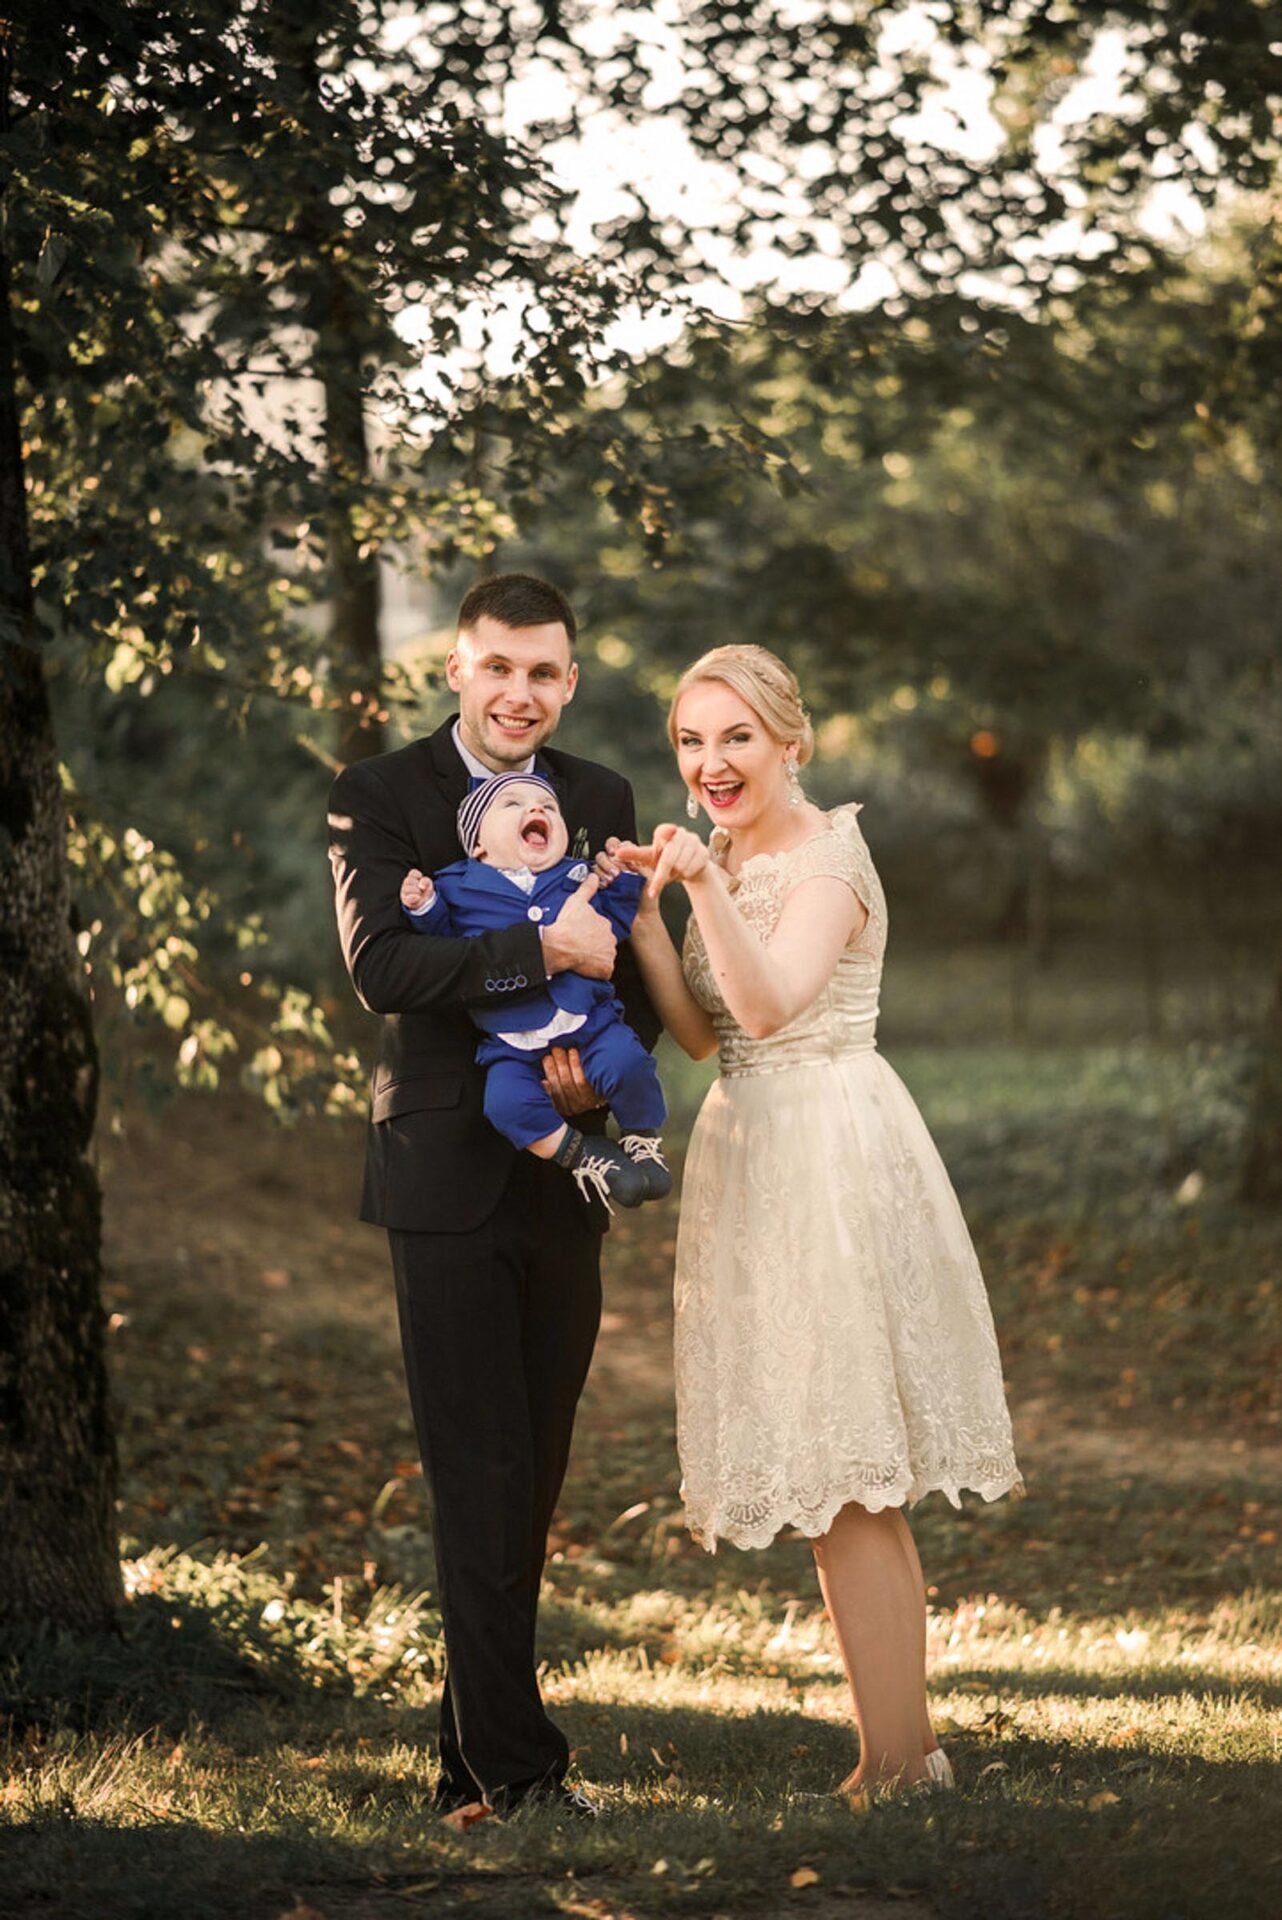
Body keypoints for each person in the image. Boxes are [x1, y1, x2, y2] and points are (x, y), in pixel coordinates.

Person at [605, 642, 1022, 1801]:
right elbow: (704, 1035)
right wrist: (650, 913)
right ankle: (891, 1756)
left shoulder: (830, 855)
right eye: (691, 740)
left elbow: (775, 1005)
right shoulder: (728, 854)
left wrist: (698, 886)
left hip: (832, 1150)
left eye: (736, 736)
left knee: (853, 1473)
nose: (711, 762)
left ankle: (901, 1759)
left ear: (792, 741)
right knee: (826, 1469)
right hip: (751, 1149)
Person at [328, 573, 658, 1818]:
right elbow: (383, 966)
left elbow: (622, 973)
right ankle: (521, 1773)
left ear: (568, 682)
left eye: (545, 673)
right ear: (457, 670)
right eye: (498, 667)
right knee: (477, 1468)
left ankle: (466, 1763)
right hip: (443, 1181)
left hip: (565, 1169)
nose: (521, 692)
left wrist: (602, 1094)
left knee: (535, 1473)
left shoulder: (600, 798)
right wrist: (537, 951)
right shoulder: (379, 795)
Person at [399, 770, 669, 1210]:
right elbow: (444, 945)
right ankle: (582, 1153)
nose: (536, 809)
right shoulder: (458, 885)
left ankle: (642, 1137)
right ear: (478, 844)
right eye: (512, 804)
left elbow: (613, 929)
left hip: (591, 1023)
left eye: (548, 806)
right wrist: (424, 906)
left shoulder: (579, 878)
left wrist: (623, 881)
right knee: (504, 1102)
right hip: (510, 1040)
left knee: (629, 1062)